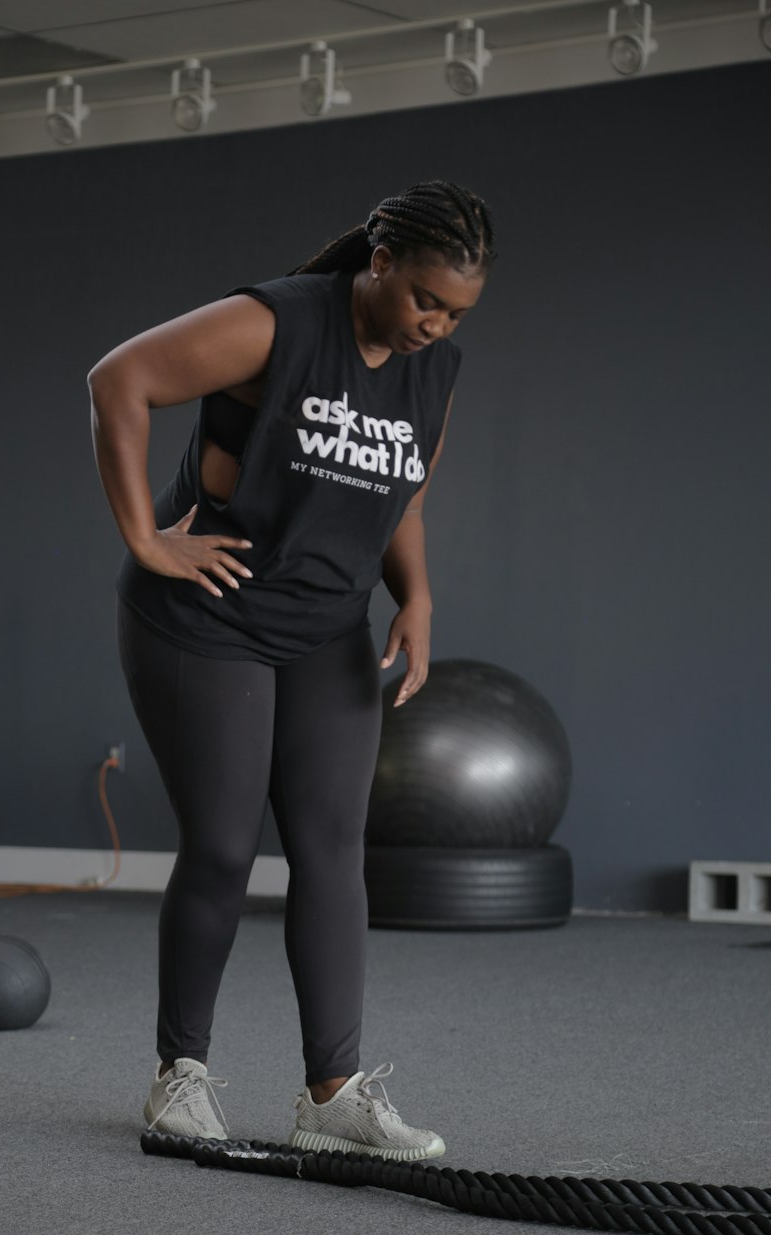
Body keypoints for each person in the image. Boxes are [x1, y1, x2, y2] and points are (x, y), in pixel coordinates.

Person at [86, 179, 494, 1160]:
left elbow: (401, 499)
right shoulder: (273, 323)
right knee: (225, 848)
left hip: (326, 627)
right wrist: (145, 536)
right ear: (380, 263)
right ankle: (177, 1079)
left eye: (455, 311)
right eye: (423, 298)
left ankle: (333, 1095)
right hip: (206, 617)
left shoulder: (433, 372)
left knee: (330, 853)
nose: (434, 323)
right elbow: (118, 379)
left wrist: (420, 600)